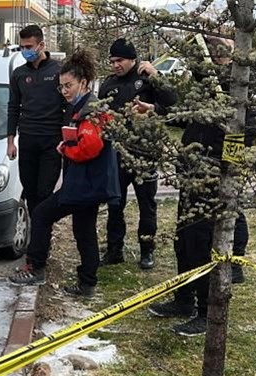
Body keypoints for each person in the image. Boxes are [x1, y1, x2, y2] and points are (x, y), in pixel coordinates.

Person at [149, 36, 252, 337]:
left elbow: (245, 131)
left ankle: (207, 313)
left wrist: (226, 167)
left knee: (201, 243)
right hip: (191, 172)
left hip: (213, 176)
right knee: (183, 241)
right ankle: (183, 300)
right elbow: (188, 116)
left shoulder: (239, 87)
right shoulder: (205, 85)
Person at [9, 49, 119, 297]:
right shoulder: (83, 107)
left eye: (68, 85)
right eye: (61, 87)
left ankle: (36, 267)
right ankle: (87, 282)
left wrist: (65, 149)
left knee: (42, 213)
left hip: (84, 184)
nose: (65, 91)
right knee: (84, 229)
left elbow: (89, 147)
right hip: (89, 182)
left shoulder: (89, 110)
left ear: (84, 82)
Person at [98, 38, 178, 270]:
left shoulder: (146, 79)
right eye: (112, 61)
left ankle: (147, 250)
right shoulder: (109, 83)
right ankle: (114, 250)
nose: (115, 65)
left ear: (132, 59)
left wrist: (156, 76)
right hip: (117, 153)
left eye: (120, 60)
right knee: (115, 204)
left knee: (146, 205)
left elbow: (171, 104)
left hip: (144, 153)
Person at [7, 25, 65, 216]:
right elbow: (13, 108)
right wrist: (10, 142)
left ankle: (43, 239)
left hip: (51, 140)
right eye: (22, 47)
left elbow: (70, 103)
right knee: (30, 191)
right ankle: (36, 236)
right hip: (27, 139)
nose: (25, 51)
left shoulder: (59, 71)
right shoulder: (19, 74)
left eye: (29, 46)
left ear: (41, 45)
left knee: (45, 192)